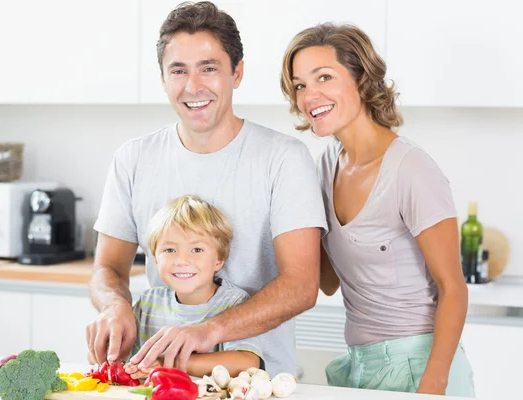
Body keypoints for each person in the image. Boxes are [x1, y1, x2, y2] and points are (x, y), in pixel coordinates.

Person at [86, 1, 327, 377]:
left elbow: (302, 284)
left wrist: (210, 330)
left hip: (258, 384)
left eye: (209, 69)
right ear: (163, 78)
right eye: (178, 70)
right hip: (163, 382)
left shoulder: (283, 158)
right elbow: (107, 268)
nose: (193, 86)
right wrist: (113, 307)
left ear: (237, 73)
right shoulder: (133, 159)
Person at [280, 23, 475, 397]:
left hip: (421, 365)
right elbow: (328, 281)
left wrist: (433, 383)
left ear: (362, 79)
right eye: (300, 84)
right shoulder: (324, 167)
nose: (309, 95)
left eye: (324, 77)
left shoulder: (411, 169)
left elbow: (454, 288)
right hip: (360, 365)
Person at [122, 195, 262, 379]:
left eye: (197, 250)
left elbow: (247, 362)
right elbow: (128, 363)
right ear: (155, 258)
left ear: (219, 259)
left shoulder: (234, 302)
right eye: (169, 250)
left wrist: (168, 363)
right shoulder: (148, 303)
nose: (182, 261)